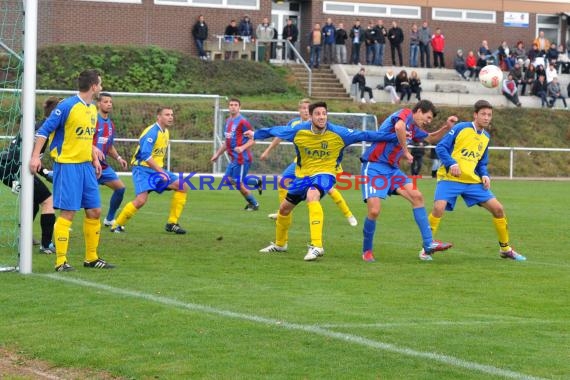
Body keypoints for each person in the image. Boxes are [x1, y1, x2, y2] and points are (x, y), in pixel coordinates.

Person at [246, 101, 391, 261]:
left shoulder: (339, 133)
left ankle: (317, 246)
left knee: (312, 195)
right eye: (318, 114)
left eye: (324, 113)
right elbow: (276, 131)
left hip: (326, 173)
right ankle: (281, 244)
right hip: (303, 175)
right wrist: (256, 134)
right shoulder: (299, 131)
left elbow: (366, 135)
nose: (322, 117)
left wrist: (396, 137)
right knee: (284, 209)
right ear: (311, 116)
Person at [30, 69, 114, 271]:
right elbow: (44, 131)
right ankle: (61, 261)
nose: (101, 87)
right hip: (67, 166)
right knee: (68, 212)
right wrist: (35, 157)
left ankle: (91, 259)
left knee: (94, 210)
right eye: (100, 84)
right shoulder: (67, 106)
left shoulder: (92, 109)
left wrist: (94, 155)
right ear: (94, 86)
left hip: (86, 166)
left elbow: (85, 137)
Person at [429, 100, 526, 261]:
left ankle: (505, 249)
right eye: (483, 114)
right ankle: (427, 247)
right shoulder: (461, 128)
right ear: (475, 115)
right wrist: (451, 163)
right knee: (438, 208)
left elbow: (481, 162)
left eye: (489, 115)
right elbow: (441, 147)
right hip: (450, 178)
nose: (487, 118)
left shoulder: (486, 137)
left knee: (498, 209)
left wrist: (485, 175)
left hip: (472, 181)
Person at [360, 100, 456, 262]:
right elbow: (399, 128)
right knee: (374, 211)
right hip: (375, 166)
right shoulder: (404, 114)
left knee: (417, 196)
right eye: (428, 117)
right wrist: (405, 151)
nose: (428, 121)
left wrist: (446, 127)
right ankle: (367, 250)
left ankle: (428, 243)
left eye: (431, 119)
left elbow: (431, 138)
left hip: (392, 170)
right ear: (418, 110)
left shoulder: (414, 129)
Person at [259, 98, 357, 226]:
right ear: (299, 110)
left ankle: (348, 214)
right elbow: (280, 135)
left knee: (328, 189)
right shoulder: (294, 124)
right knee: (282, 181)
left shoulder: (321, 124)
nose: (305, 110)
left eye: (307, 108)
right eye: (303, 108)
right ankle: (282, 211)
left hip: (323, 163)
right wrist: (267, 151)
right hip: (301, 163)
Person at [111, 107, 190, 234]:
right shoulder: (152, 132)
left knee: (182, 186)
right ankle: (117, 225)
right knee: (141, 200)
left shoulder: (165, 132)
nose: (170, 117)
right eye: (167, 115)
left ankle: (172, 223)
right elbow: (145, 155)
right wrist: (161, 172)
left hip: (155, 170)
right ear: (159, 117)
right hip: (142, 169)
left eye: (172, 115)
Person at [1, 97, 59, 255]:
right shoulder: (43, 131)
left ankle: (24, 236)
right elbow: (29, 159)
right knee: (48, 201)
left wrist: (46, 173)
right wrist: (47, 174)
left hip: (6, 168)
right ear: (55, 114)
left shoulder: (35, 126)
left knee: (33, 201)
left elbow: (30, 158)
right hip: (15, 169)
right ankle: (46, 245)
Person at [210, 98, 261, 211]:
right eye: (231, 105)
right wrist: (217, 154)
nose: (233, 107)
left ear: (239, 107)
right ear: (229, 107)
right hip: (234, 159)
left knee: (238, 183)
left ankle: (254, 204)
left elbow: (253, 139)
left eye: (235, 105)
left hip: (243, 158)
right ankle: (255, 181)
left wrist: (242, 147)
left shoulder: (243, 121)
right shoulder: (228, 121)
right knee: (228, 180)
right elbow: (226, 142)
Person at [93, 93, 128, 227]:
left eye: (110, 102)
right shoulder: (93, 120)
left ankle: (109, 219)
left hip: (103, 166)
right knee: (80, 196)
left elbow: (109, 145)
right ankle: (64, 222)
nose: (109, 104)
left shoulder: (111, 125)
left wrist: (119, 158)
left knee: (120, 188)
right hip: (89, 165)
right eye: (106, 101)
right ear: (99, 104)